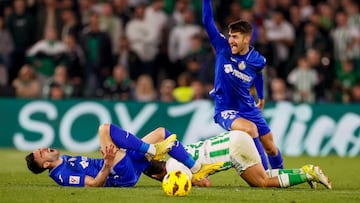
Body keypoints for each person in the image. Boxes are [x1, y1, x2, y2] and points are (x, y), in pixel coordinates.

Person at [201, 0, 283, 171]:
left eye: (235, 37)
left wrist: (260, 98)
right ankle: (265, 174)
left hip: (248, 107)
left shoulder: (257, 60)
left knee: (271, 147)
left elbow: (259, 76)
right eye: (230, 35)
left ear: (247, 39)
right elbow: (207, 21)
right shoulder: (222, 47)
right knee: (250, 129)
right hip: (225, 109)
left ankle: (279, 173)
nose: (230, 40)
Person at [25, 124, 222, 187]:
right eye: (40, 154)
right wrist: (108, 163)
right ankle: (152, 151)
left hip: (124, 168)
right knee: (104, 129)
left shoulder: (64, 160)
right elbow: (94, 184)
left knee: (162, 133)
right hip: (116, 174)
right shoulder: (62, 175)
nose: (44, 148)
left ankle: (196, 169)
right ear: (44, 165)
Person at [145, 130, 332, 189]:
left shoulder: (174, 168)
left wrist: (191, 182)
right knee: (263, 176)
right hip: (233, 138)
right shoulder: (175, 156)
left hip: (234, 148)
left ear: (155, 177)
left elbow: (205, 183)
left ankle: (308, 174)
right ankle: (304, 171)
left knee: (262, 183)